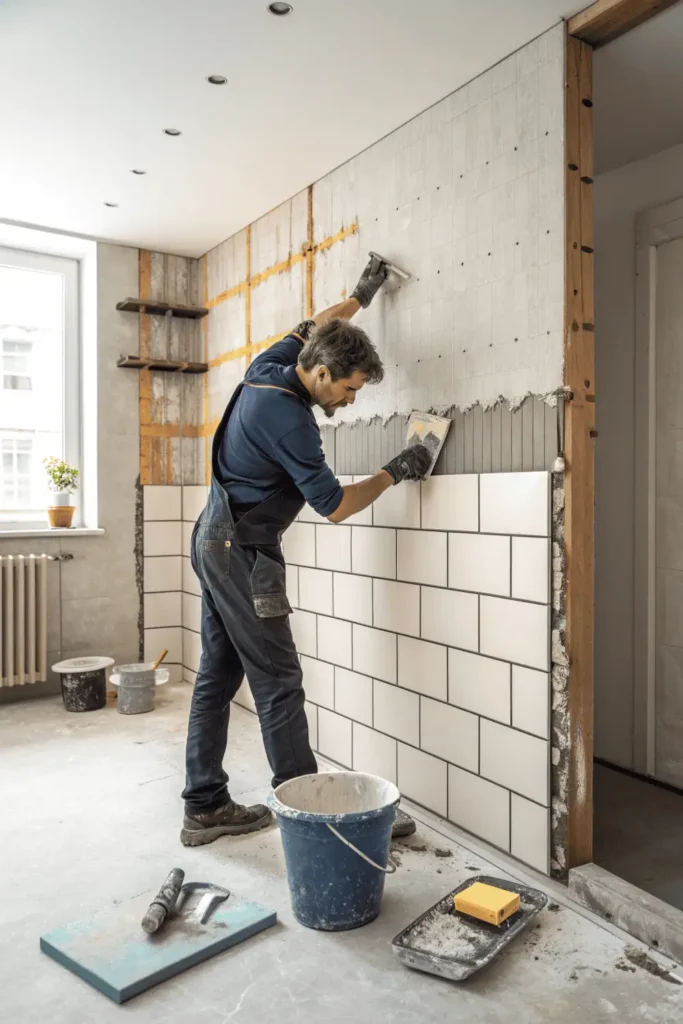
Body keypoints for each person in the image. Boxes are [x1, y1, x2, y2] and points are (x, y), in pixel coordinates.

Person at [181, 254, 431, 847]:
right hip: (240, 551)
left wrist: (359, 298)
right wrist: (397, 468)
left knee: (218, 674)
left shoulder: (274, 363)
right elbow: (336, 506)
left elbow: (316, 322)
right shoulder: (291, 421)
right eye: (347, 389)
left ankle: (204, 806)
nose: (349, 401)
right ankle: (315, 819)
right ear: (319, 375)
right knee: (278, 679)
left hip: (216, 536)